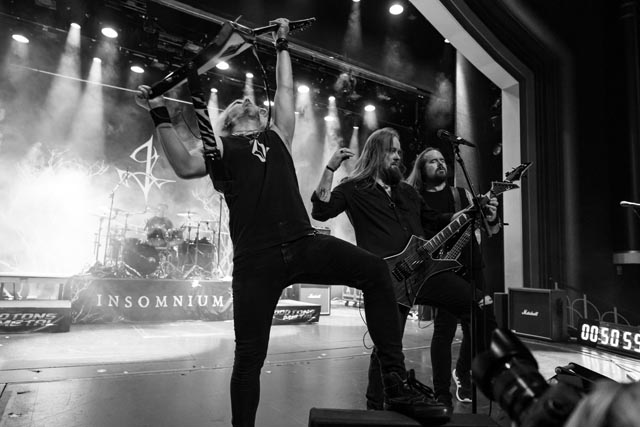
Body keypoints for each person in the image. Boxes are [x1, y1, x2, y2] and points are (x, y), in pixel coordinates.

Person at [135, 18, 448, 427]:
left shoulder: (277, 135)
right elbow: (182, 163)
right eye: (238, 104)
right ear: (227, 121)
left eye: (250, 102)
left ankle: (394, 381)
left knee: (376, 271)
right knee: (249, 357)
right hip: (257, 260)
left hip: (302, 242)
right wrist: (158, 112)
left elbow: (284, 90)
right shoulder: (222, 148)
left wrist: (282, 43)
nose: (246, 101)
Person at [311, 128, 499, 412]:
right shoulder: (353, 188)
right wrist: (329, 168)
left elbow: (434, 220)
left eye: (399, 151)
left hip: (423, 272)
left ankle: (481, 374)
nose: (398, 156)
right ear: (376, 152)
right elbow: (321, 211)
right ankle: (375, 408)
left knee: (479, 305)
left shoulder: (408, 192)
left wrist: (469, 213)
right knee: (386, 348)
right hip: (386, 280)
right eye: (392, 150)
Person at [406, 147, 500, 408]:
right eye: (432, 161)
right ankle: (441, 391)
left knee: (478, 325)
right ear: (421, 169)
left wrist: (492, 217)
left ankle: (462, 371)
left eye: (442, 160)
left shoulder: (461, 194)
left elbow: (490, 229)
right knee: (444, 330)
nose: (440, 164)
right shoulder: (415, 197)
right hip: (442, 270)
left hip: (472, 264)